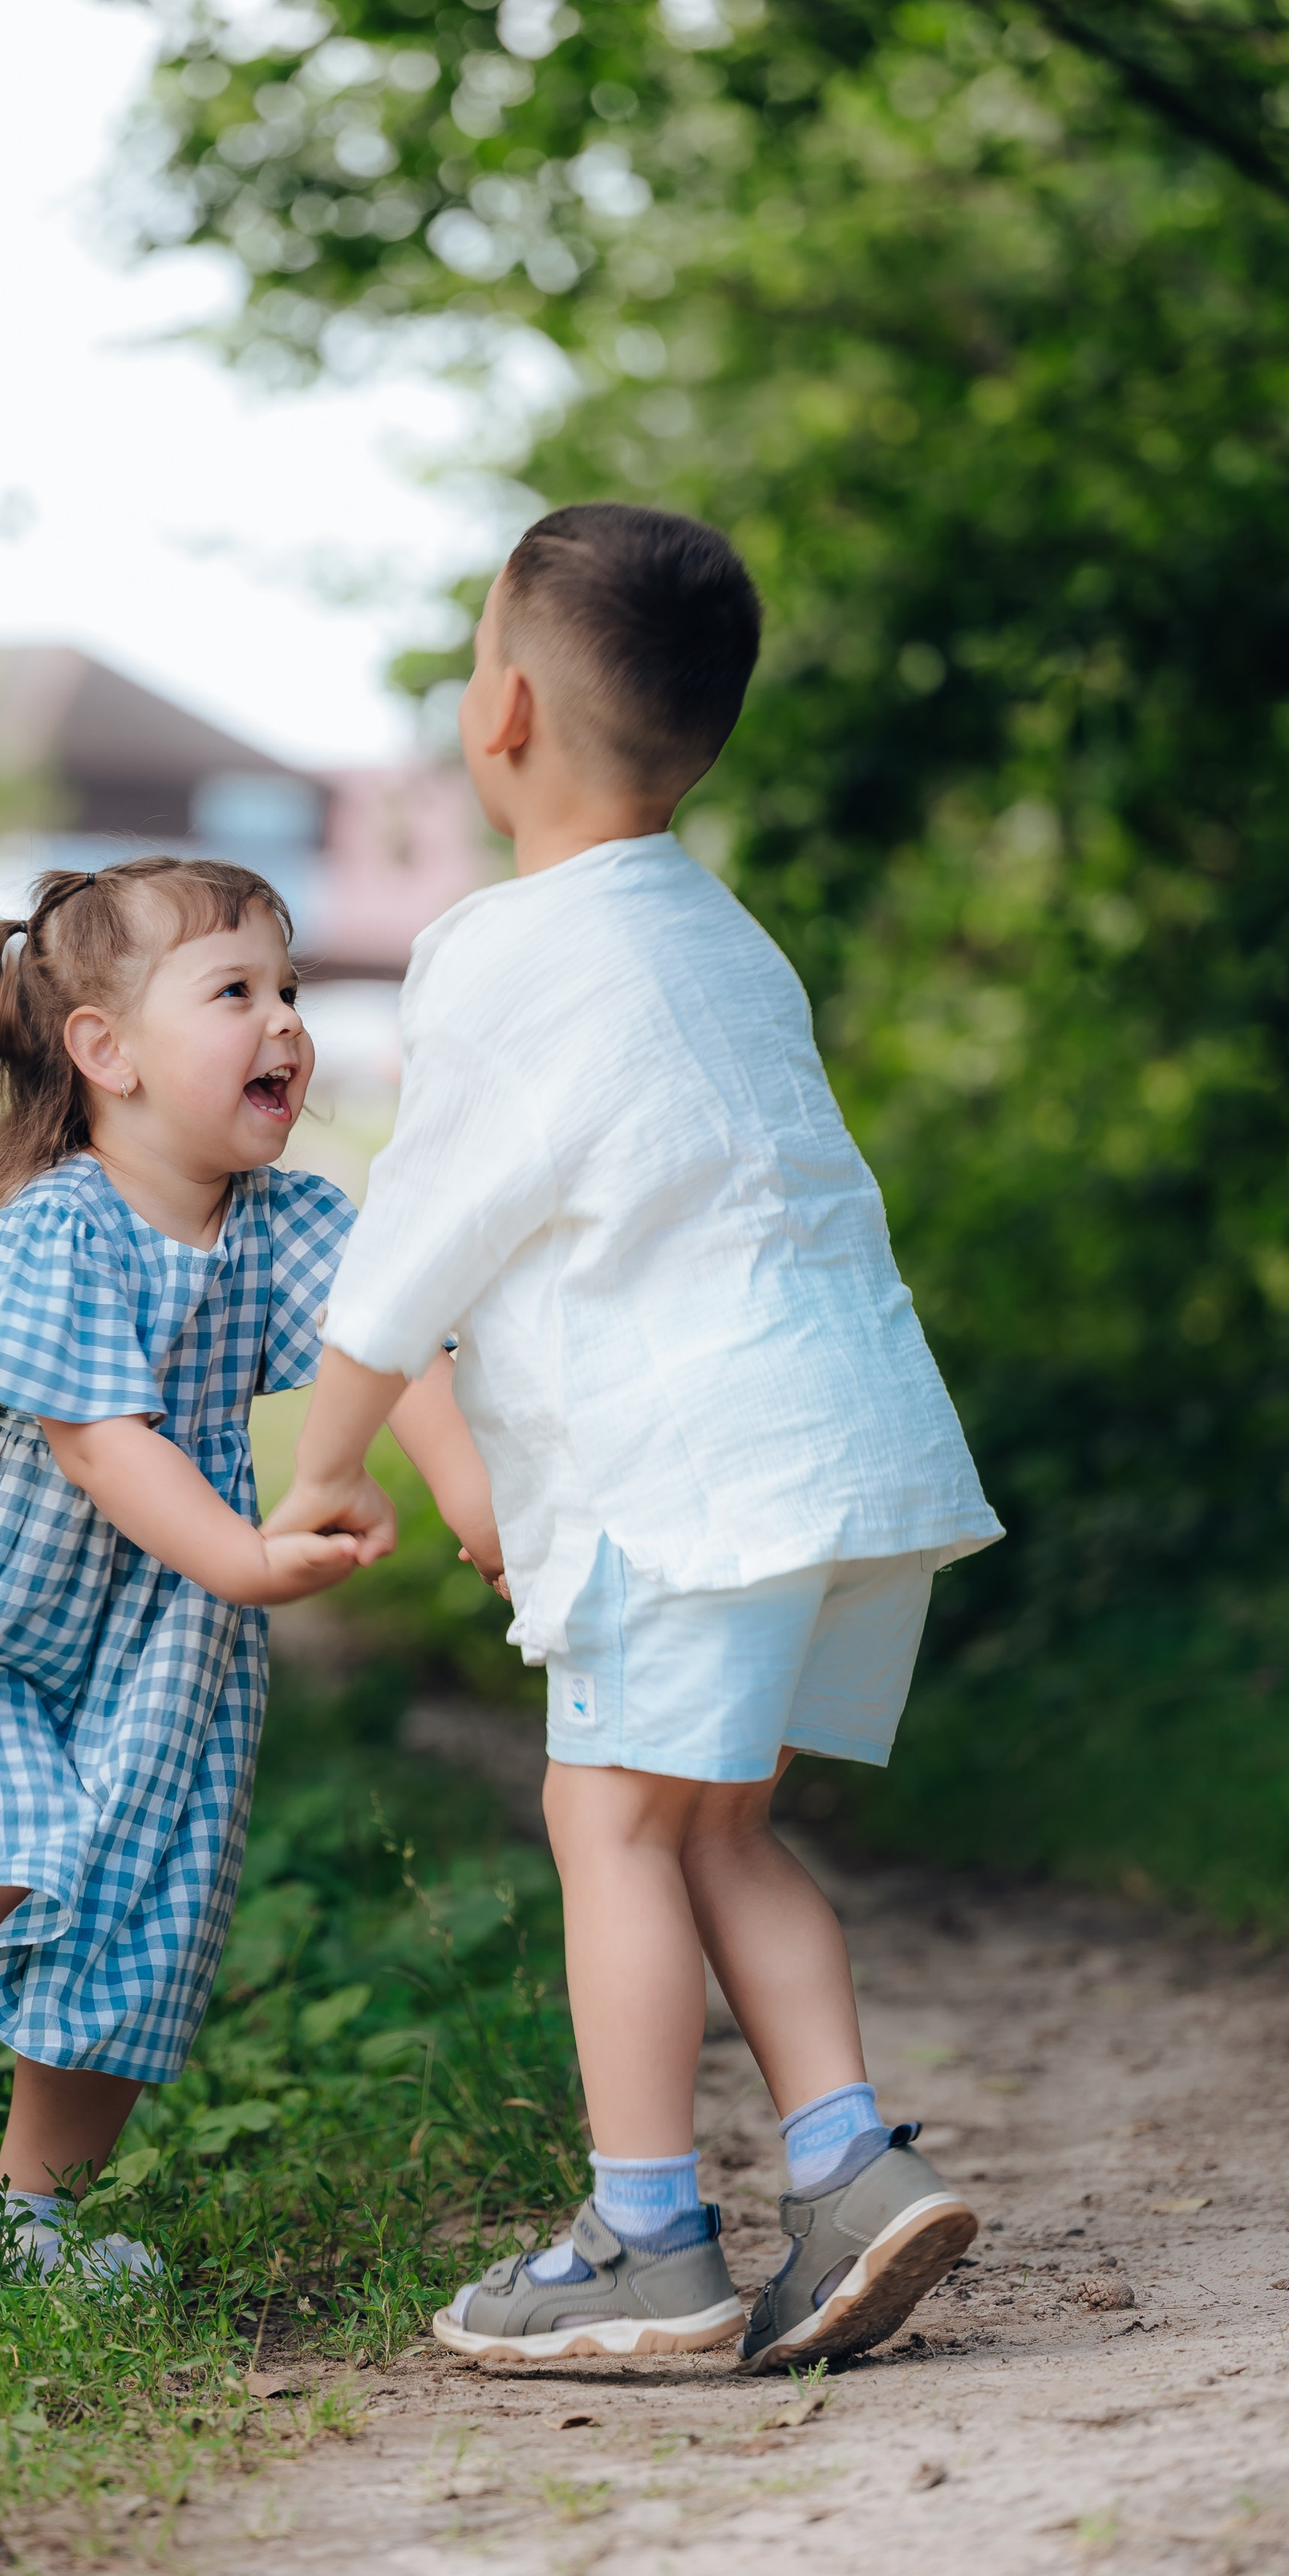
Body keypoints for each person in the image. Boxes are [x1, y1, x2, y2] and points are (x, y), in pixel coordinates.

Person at [262, 504, 1004, 2373]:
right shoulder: (721, 938)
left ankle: (645, 2239)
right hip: (848, 1452)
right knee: (719, 1827)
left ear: (500, 711)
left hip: (690, 1483)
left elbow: (410, 1244)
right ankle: (844, 2163)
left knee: (604, 1820)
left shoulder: (501, 950)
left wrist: (328, 1465)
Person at [0, 856, 433, 2305]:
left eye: (290, 988)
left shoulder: (289, 1223)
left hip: (159, 1635)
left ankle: (38, 2216)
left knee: (140, 1888)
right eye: (234, 991)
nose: (287, 1024)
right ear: (106, 1051)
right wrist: (248, 1558)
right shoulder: (67, 1229)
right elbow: (105, 1446)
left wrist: (485, 1521)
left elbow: (402, 1348)